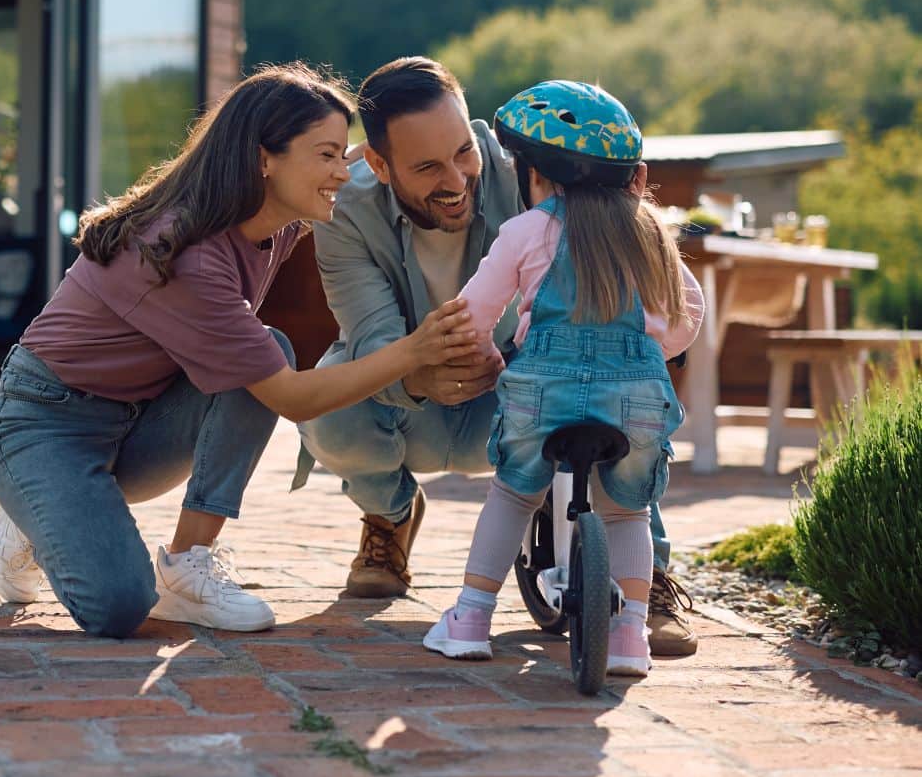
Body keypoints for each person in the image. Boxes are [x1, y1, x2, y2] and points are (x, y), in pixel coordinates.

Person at [0, 63, 481, 639]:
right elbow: (293, 400)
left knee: (262, 350)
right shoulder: (186, 254)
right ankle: (31, 507)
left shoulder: (274, 220)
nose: (341, 173)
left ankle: (187, 566)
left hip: (141, 422)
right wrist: (416, 350)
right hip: (46, 421)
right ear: (264, 159)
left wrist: (425, 151)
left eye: (342, 153)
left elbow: (371, 155)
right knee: (118, 608)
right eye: (325, 155)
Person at [295, 57, 701, 656]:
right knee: (331, 402)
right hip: (417, 392)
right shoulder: (346, 212)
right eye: (427, 166)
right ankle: (390, 516)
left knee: (618, 400)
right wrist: (428, 371)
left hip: (526, 383)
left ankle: (647, 579)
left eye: (463, 152)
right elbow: (373, 339)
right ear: (378, 165)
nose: (457, 181)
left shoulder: (525, 163)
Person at [423, 80, 705, 675]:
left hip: (541, 392)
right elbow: (686, 319)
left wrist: (487, 357)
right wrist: (655, 352)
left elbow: (474, 317)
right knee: (628, 512)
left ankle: (471, 618)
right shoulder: (652, 232)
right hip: (634, 397)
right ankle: (630, 635)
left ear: (537, 176)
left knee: (512, 495)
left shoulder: (526, 231)